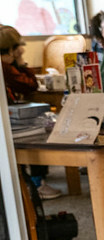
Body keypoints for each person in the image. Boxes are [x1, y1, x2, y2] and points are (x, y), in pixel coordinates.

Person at [0, 25, 62, 199]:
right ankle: (37, 182)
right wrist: (22, 63)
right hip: (9, 122)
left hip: (9, 116)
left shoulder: (6, 65)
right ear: (12, 49)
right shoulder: (5, 67)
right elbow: (30, 85)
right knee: (38, 128)